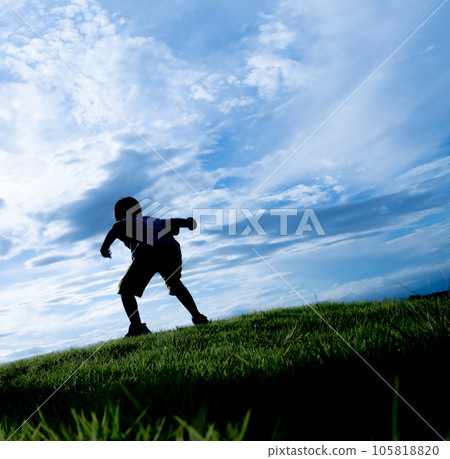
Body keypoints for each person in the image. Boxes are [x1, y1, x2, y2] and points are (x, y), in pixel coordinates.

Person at [100, 197, 208, 337]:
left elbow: (115, 230)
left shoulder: (125, 222)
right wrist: (188, 223)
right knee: (175, 283)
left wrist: (104, 248)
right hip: (171, 250)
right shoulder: (154, 220)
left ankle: (137, 327)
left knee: (126, 289)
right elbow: (173, 221)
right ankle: (198, 317)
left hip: (148, 251)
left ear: (120, 215)